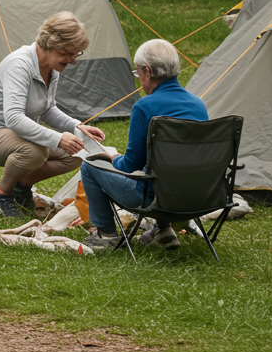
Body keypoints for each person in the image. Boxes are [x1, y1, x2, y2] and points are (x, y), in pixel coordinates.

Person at [0, 11, 107, 218]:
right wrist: (58, 138)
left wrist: (76, 127)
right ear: (52, 43)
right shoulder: (19, 64)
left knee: (78, 151)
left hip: (16, 133)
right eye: (69, 53)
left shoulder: (51, 67)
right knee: (35, 151)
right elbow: (13, 118)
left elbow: (47, 109)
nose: (72, 61)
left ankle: (20, 188)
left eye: (76, 54)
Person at [80, 39, 208, 250]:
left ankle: (105, 235)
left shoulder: (144, 106)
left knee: (89, 167)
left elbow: (130, 165)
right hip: (199, 196)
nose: (138, 78)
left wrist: (113, 157)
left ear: (147, 71)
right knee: (166, 173)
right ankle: (162, 229)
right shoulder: (198, 104)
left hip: (153, 199)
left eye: (137, 72)